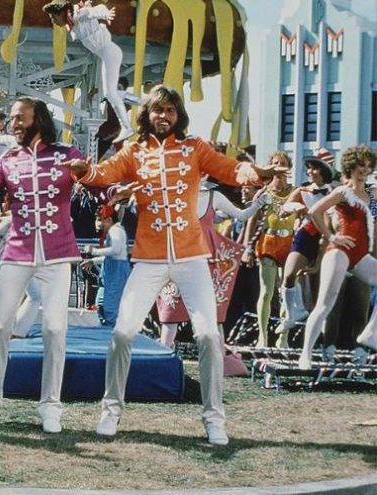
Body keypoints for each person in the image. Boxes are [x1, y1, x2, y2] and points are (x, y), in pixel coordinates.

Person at [65, 85, 285, 445]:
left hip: (191, 257)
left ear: (177, 115)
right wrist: (84, 171)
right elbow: (104, 173)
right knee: (122, 334)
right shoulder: (134, 151)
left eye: (169, 110)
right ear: (147, 115)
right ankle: (110, 411)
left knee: (209, 336)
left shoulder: (195, 148)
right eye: (156, 111)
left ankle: (214, 419)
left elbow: (230, 169)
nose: (162, 116)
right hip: (149, 259)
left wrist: (255, 173)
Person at [0, 97, 84, 432]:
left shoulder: (68, 155)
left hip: (57, 254)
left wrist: (113, 190)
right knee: (0, 328)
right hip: (17, 252)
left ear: (37, 118)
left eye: (19, 117)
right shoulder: (7, 160)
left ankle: (50, 407)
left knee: (55, 329)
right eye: (11, 118)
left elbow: (97, 182)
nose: (13, 123)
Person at [156, 178, 263, 347]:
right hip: (178, 258)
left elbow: (241, 216)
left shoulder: (215, 197)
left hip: (205, 262)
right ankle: (163, 356)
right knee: (171, 314)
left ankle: (215, 359)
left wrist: (258, 203)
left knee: (210, 314)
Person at [298, 145, 377, 369]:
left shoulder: (372, 194)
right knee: (324, 304)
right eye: (360, 164)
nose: (365, 168)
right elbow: (315, 212)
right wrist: (332, 236)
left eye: (368, 164)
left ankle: (370, 333)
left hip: (361, 255)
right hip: (339, 251)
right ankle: (306, 354)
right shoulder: (342, 192)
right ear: (350, 166)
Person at [44, 0, 134, 142]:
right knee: (110, 94)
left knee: (111, 94)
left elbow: (95, 11)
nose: (53, 21)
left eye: (53, 17)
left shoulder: (79, 14)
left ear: (61, 13)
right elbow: (76, 31)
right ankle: (128, 123)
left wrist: (106, 14)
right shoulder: (73, 23)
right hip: (105, 54)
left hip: (110, 52)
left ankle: (135, 112)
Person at [241, 152, 295, 347]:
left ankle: (284, 338)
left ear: (288, 167)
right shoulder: (263, 192)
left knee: (286, 292)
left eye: (282, 163)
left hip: (288, 241)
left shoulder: (295, 191)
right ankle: (262, 336)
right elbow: (252, 220)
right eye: (275, 163)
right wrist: (247, 248)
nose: (279, 167)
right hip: (268, 241)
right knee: (266, 292)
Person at [277, 156, 334, 331]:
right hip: (306, 234)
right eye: (308, 168)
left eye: (314, 168)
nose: (310, 172)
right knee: (289, 275)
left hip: (325, 238)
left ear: (324, 171)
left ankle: (322, 328)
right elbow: (282, 211)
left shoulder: (334, 192)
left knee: (319, 286)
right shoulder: (302, 191)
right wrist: (296, 208)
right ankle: (291, 314)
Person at [83, 203, 130, 327]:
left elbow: (115, 250)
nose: (97, 223)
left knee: (111, 311)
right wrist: (93, 261)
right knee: (101, 306)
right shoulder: (110, 232)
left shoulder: (116, 231)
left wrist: (94, 251)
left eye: (100, 220)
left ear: (108, 219)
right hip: (108, 274)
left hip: (116, 275)